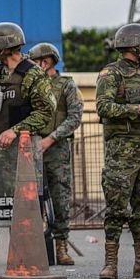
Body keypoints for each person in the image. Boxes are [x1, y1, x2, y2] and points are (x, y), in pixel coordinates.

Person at [0, 23, 56, 279]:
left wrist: (15, 130)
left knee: (25, 204)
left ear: (5, 46)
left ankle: (28, 255)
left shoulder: (33, 75)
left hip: (23, 153)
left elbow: (45, 112)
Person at [95, 23, 140, 279]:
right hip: (122, 151)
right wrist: (137, 111)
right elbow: (103, 107)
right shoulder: (111, 74)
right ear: (135, 46)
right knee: (116, 207)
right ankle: (110, 263)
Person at [28, 42, 84, 266]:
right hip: (30, 147)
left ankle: (61, 245)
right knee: (31, 198)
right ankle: (33, 244)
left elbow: (75, 117)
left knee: (60, 196)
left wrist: (50, 139)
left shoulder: (66, 85)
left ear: (46, 61)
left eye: (34, 62)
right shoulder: (30, 86)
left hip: (57, 149)